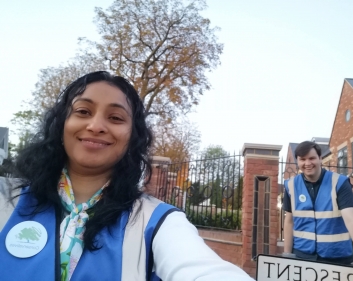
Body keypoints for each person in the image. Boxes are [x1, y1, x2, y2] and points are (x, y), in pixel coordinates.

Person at [0, 71, 254, 281]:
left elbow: (204, 271)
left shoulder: (157, 223)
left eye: (115, 117)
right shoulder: (5, 200)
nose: (96, 125)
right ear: (61, 124)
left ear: (133, 136)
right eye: (83, 112)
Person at [283, 141, 353, 271]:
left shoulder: (340, 183)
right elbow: (289, 221)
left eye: (312, 158)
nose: (307, 163)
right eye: (302, 159)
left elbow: (352, 220)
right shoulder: (290, 185)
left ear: (320, 159)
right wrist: (287, 254)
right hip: (302, 256)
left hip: (337, 257)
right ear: (297, 161)